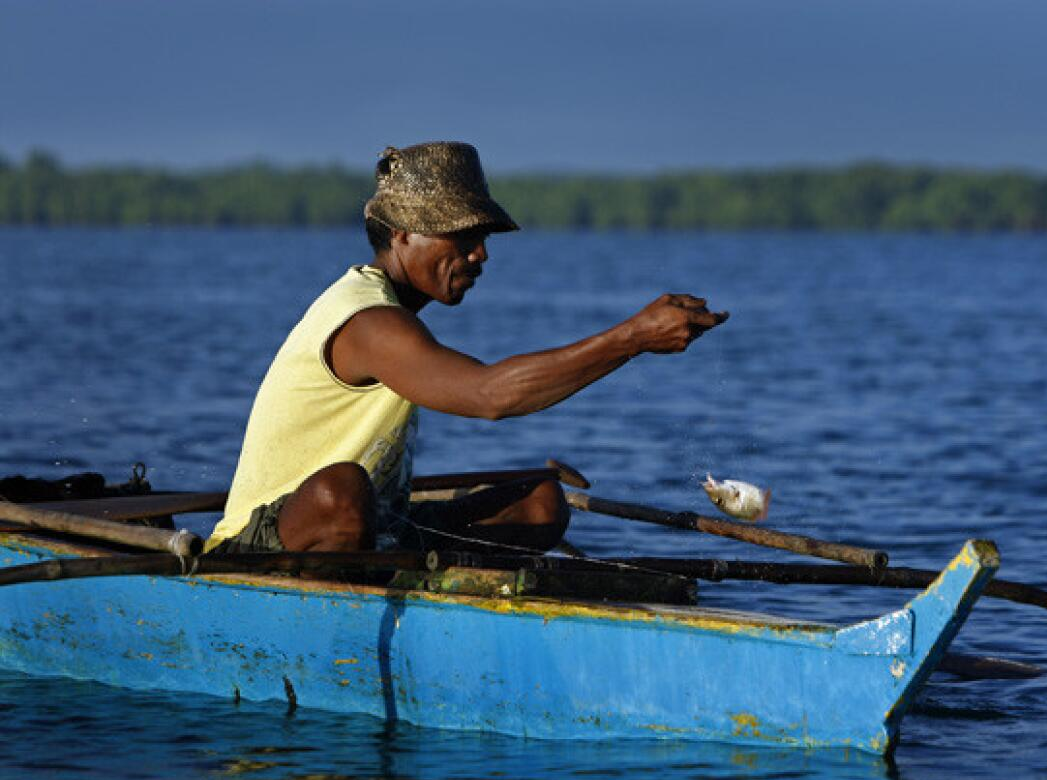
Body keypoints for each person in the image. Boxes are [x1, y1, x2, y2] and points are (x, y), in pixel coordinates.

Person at [206, 142, 728, 556]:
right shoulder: (367, 321)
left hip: (380, 527)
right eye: (462, 237)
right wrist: (632, 337)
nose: (480, 254)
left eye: (483, 237)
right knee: (341, 493)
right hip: (266, 543)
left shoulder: (395, 312)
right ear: (402, 235)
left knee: (541, 503)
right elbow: (488, 395)